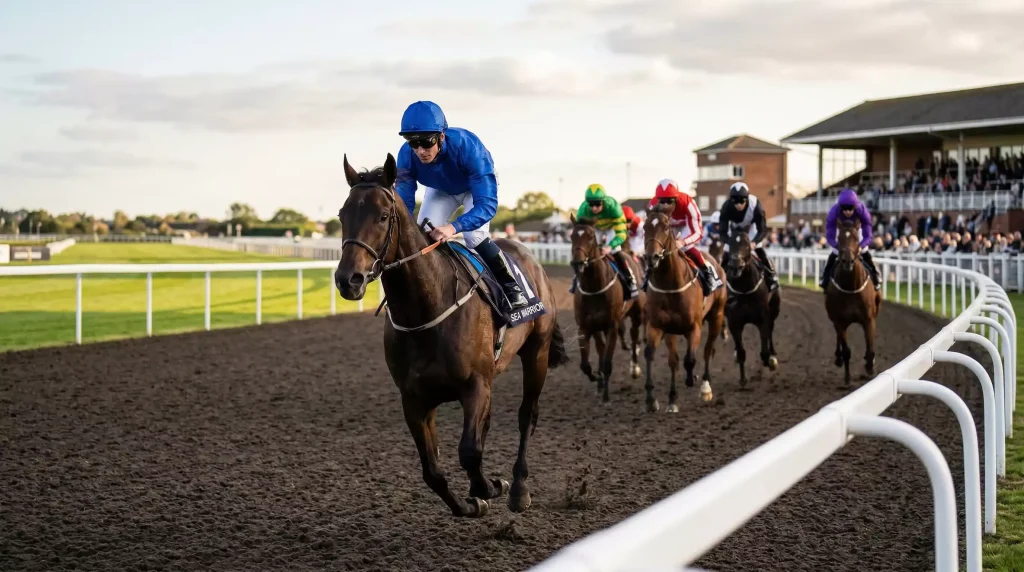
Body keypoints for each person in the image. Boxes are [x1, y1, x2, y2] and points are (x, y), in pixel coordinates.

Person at [394, 100, 528, 309]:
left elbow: (486, 206)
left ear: (441, 136)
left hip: (473, 189)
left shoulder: (469, 148)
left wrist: (452, 227)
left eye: (427, 142)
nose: (420, 150)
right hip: (440, 190)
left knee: (474, 236)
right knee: (423, 236)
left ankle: (511, 286)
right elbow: (404, 204)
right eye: (413, 142)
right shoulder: (405, 156)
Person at [645, 178, 722, 296]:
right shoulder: (651, 207)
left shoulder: (688, 203)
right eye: (662, 201)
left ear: (676, 199)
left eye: (669, 201)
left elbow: (698, 232)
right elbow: (652, 229)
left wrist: (683, 242)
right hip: (666, 226)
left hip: (685, 225)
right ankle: (648, 274)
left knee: (687, 248)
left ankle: (708, 273)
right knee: (657, 249)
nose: (665, 205)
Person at [569, 183, 639, 298]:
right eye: (591, 205)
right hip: (594, 227)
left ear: (604, 201)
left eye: (597, 204)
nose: (594, 208)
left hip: (611, 227)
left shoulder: (614, 208)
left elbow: (621, 234)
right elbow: (581, 232)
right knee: (585, 252)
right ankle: (576, 278)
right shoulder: (583, 210)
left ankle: (630, 279)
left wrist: (610, 246)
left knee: (615, 250)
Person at [719, 182, 778, 290]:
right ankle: (719, 280)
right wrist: (730, 243)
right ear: (730, 201)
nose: (738, 205)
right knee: (726, 252)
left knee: (759, 250)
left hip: (751, 228)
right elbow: (722, 231)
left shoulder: (755, 205)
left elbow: (762, 229)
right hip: (735, 230)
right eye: (735, 202)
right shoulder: (726, 207)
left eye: (742, 201)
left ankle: (771, 276)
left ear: (747, 198)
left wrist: (755, 242)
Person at [820, 188, 880, 291]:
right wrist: (837, 246)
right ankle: (825, 279)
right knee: (834, 252)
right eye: (845, 209)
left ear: (855, 207)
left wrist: (861, 246)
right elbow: (830, 235)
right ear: (840, 208)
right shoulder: (834, 212)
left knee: (865, 251)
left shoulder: (862, 210)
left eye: (850, 209)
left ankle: (876, 276)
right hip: (840, 230)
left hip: (857, 230)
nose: (848, 212)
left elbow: (868, 233)